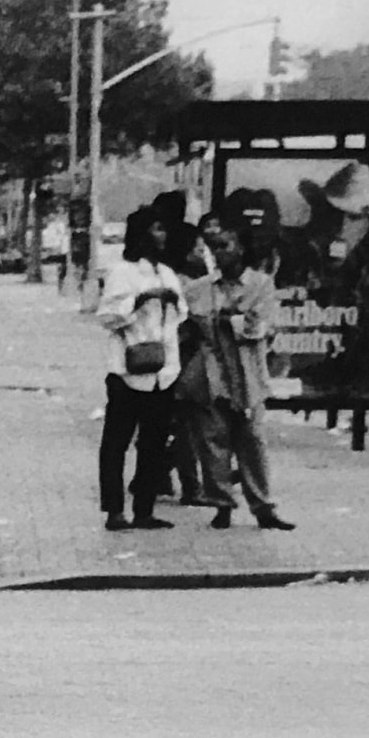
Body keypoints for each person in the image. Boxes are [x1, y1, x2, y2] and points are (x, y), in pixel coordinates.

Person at [192, 222, 295, 531]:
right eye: (215, 248)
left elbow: (257, 326)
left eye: (225, 246)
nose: (219, 253)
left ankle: (262, 505)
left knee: (252, 441)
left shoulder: (261, 285)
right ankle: (221, 503)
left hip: (248, 373)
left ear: (240, 249)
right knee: (214, 441)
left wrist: (227, 319)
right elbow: (195, 323)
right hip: (213, 373)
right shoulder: (203, 288)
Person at [92, 205, 182, 533]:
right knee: (116, 442)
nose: (162, 235)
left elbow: (179, 315)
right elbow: (107, 316)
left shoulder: (167, 272)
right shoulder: (124, 272)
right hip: (127, 370)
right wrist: (141, 300)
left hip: (164, 370)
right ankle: (114, 510)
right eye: (157, 228)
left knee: (154, 443)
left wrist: (171, 299)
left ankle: (144, 509)